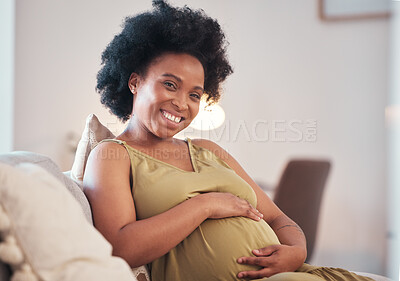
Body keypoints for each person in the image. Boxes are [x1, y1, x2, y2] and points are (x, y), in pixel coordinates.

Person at [83, 1, 374, 280]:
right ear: (135, 82)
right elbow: (119, 249)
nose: (182, 103)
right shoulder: (112, 155)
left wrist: (296, 252)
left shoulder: (208, 150)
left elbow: (280, 219)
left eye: (195, 95)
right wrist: (206, 205)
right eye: (170, 84)